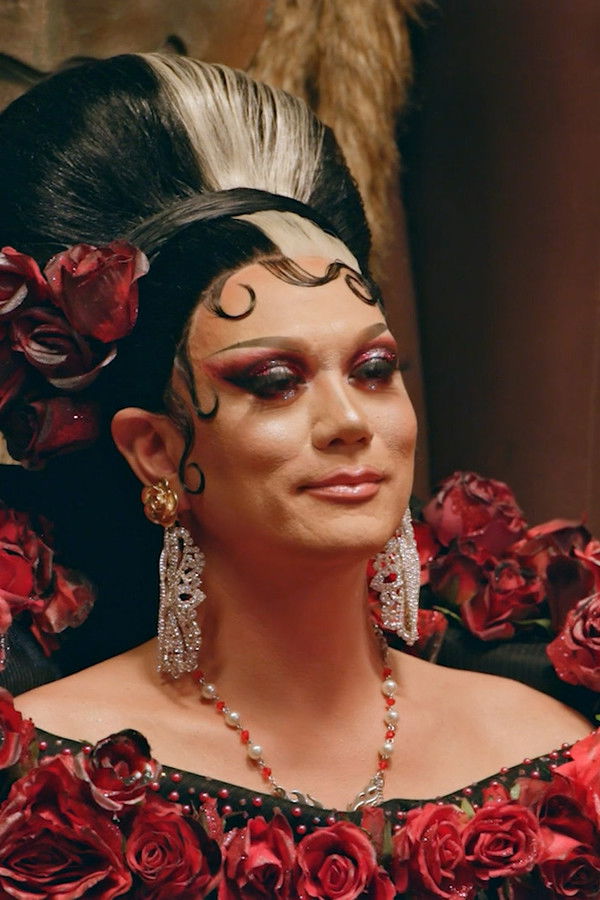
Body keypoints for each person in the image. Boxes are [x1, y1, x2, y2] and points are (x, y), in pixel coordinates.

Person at [0, 53, 595, 895]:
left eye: (375, 370)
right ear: (154, 450)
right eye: (274, 381)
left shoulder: (562, 764)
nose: (349, 421)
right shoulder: (45, 791)